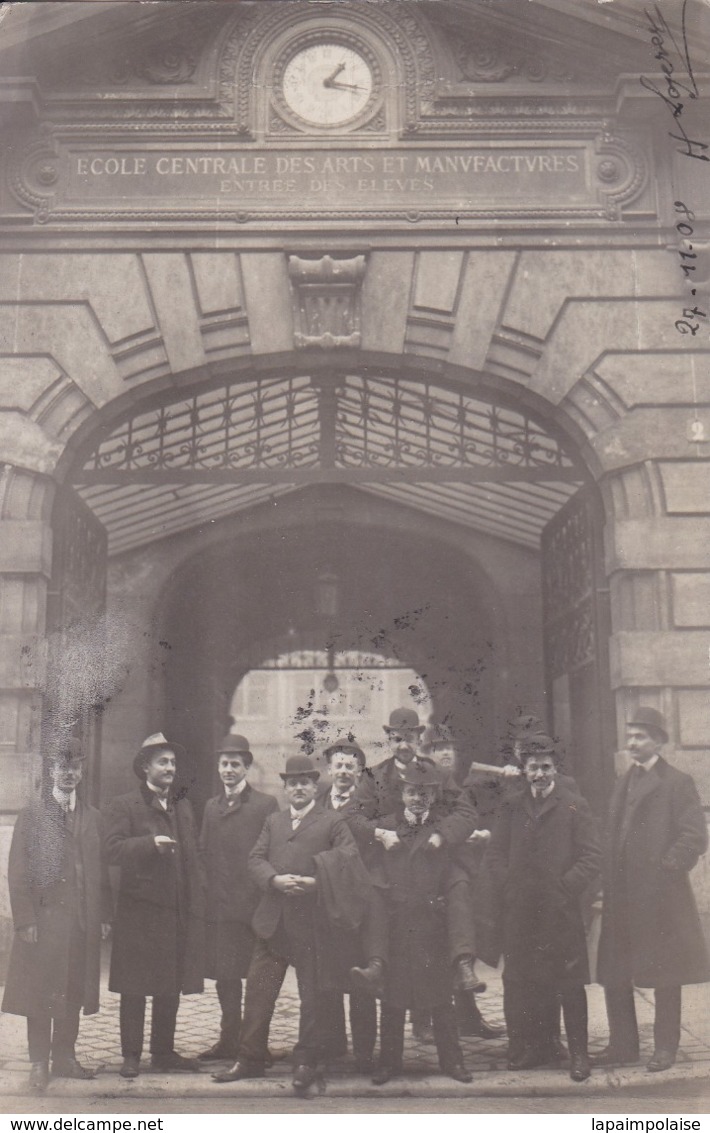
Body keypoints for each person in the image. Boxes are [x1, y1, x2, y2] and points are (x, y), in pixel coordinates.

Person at [214, 755, 372, 1095]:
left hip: (313, 924)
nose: (298, 788)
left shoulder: (332, 821)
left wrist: (317, 880)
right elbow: (255, 859)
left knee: (312, 995)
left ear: (315, 787)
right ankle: (250, 1056)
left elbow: (348, 858)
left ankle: (306, 1061)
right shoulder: (274, 821)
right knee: (258, 991)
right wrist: (274, 880)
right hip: (273, 922)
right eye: (292, 783)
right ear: (285, 789)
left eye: (304, 782)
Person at [595, 707, 710, 1072]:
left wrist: (666, 868)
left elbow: (694, 835)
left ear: (659, 741)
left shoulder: (677, 782)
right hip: (622, 896)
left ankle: (665, 1047)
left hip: (660, 898)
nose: (632, 742)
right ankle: (623, 1046)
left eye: (640, 736)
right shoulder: (623, 781)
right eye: (629, 735)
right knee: (616, 972)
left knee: (665, 975)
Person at [2, 737, 112, 1093]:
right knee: (41, 992)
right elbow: (17, 870)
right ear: (51, 771)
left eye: (75, 767)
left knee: (73, 990)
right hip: (45, 923)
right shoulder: (33, 813)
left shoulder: (92, 815)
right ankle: (39, 1062)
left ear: (81, 771)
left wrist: (104, 915)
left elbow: (100, 870)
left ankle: (65, 1057)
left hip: (81, 921)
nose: (69, 774)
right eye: (63, 767)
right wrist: (26, 920)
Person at [487, 738, 600, 1081]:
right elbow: (494, 855)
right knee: (520, 981)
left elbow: (592, 856)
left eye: (546, 767)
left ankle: (579, 1054)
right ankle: (526, 1049)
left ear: (556, 769)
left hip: (559, 912)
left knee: (568, 982)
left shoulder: (574, 805)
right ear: (523, 770)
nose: (539, 773)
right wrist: (509, 887)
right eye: (533, 767)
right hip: (520, 912)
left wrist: (566, 887)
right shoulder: (510, 806)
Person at [350, 707, 482, 997]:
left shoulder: (437, 773)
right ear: (388, 740)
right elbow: (352, 817)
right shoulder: (374, 777)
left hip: (435, 858)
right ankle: (376, 963)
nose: (404, 745)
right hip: (390, 859)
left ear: (420, 738)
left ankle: (463, 962)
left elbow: (466, 813)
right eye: (397, 739)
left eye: (410, 738)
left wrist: (442, 835)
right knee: (373, 890)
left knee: (458, 884)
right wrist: (379, 833)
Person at [103, 732, 205, 1078]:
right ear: (145, 766)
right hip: (139, 911)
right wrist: (149, 844)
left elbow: (192, 856)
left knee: (169, 984)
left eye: (173, 762)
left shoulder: (182, 806)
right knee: (134, 986)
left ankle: (163, 1052)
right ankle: (131, 1055)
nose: (170, 768)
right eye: (163, 761)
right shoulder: (124, 804)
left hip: (174, 910)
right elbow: (111, 849)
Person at [366, 763, 472, 1085]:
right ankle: (389, 1063)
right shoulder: (386, 827)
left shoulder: (443, 830)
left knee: (440, 997)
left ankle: (452, 1061)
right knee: (394, 997)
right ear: (401, 793)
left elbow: (457, 868)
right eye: (412, 792)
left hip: (431, 923)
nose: (417, 799)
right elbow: (372, 867)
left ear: (434, 795)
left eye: (424, 793)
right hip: (398, 922)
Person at [198, 734, 278, 1062]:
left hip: (254, 908)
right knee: (226, 977)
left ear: (247, 767)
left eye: (235, 764)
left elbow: (271, 852)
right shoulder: (211, 807)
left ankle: (255, 1044)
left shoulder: (264, 805)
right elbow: (203, 852)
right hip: (221, 908)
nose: (229, 770)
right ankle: (228, 1040)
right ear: (218, 768)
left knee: (257, 981)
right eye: (224, 764)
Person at [316, 740, 381, 1073]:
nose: (343, 772)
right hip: (326, 902)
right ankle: (333, 1044)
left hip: (358, 903)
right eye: (338, 765)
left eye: (350, 766)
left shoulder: (368, 806)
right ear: (329, 770)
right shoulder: (317, 803)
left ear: (359, 772)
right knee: (328, 976)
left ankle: (365, 1052)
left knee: (359, 979)